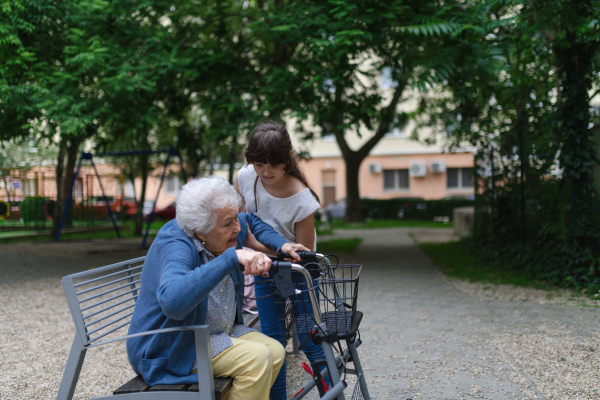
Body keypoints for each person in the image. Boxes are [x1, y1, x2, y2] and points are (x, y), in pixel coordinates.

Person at [126, 176, 309, 400]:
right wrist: (230, 259)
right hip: (174, 347)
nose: (237, 228)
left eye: (234, 218)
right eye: (228, 223)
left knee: (276, 351)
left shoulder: (227, 225)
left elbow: (250, 221)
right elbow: (172, 302)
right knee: (257, 359)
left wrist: (281, 244)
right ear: (200, 231)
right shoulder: (175, 242)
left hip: (215, 332)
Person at [235, 119, 323, 400]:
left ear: (288, 158)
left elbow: (303, 254)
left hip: (297, 273)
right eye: (259, 164)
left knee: (309, 338)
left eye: (272, 164)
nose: (265, 172)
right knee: (272, 342)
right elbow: (241, 224)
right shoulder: (246, 177)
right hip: (265, 269)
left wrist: (255, 246)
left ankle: (332, 392)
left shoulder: (302, 198)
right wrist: (257, 247)